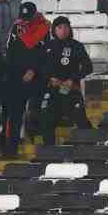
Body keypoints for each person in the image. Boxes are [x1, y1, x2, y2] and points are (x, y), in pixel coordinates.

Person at [4, 1, 49, 156]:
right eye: (23, 18)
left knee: (36, 111)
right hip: (16, 77)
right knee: (14, 114)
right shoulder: (16, 27)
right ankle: (11, 150)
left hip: (37, 78)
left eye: (28, 18)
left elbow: (45, 53)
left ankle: (38, 143)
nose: (25, 21)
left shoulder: (44, 27)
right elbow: (10, 50)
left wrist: (33, 70)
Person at [41, 16, 93, 145]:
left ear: (70, 29)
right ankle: (49, 152)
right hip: (52, 88)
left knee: (80, 118)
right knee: (46, 117)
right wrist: (50, 78)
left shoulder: (76, 46)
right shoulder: (47, 46)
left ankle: (90, 147)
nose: (63, 30)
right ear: (54, 30)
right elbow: (39, 67)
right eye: (59, 27)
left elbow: (88, 67)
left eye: (66, 27)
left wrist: (72, 79)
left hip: (70, 88)